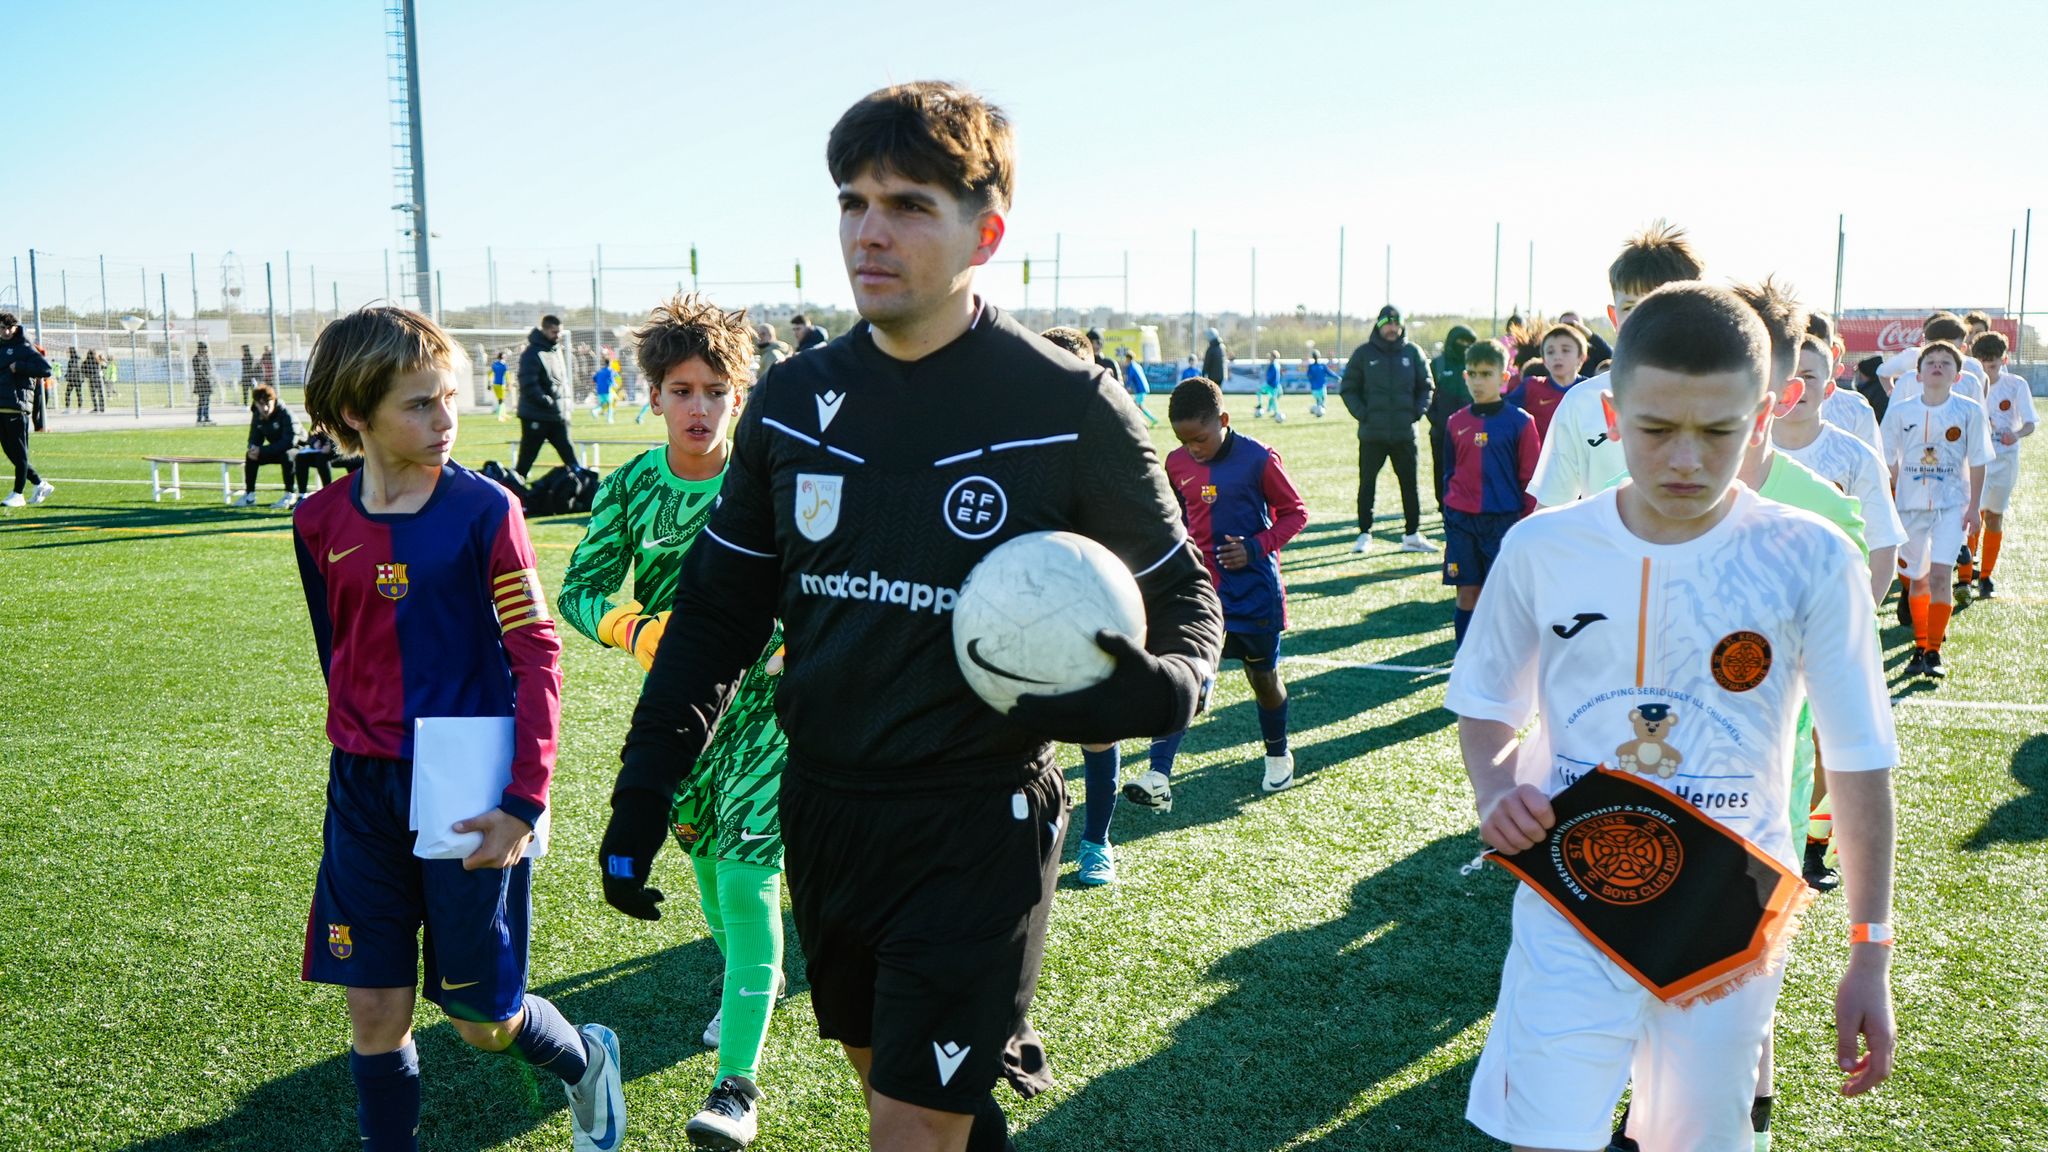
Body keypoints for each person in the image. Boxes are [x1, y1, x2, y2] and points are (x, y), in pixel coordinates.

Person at [600, 81, 1223, 1152]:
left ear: (985, 232)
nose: (867, 231)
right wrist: (645, 780)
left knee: (906, 1125)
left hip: (975, 819)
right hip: (826, 809)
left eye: (906, 204)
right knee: (896, 1084)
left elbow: (1187, 603)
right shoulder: (795, 402)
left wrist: (1162, 689)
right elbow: (714, 615)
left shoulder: (1064, 405)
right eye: (851, 201)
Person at [1448, 282, 1899, 1152]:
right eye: (1656, 429)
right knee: (1549, 1137)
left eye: (1719, 430)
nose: (1686, 458)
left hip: (1726, 919)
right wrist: (1496, 786)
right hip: (1570, 902)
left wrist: (1870, 949)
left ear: (1764, 413)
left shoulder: (1812, 558)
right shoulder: (1542, 549)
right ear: (1611, 414)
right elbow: (1486, 701)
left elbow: (1859, 760)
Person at [291, 305, 623, 1152]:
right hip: (363, 789)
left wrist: (525, 800)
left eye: (450, 400)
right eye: (420, 406)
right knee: (374, 1011)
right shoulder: (318, 522)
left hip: (470, 791)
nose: (446, 424)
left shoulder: (486, 512)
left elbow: (538, 656)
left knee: (484, 1018)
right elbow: (339, 650)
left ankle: (585, 1061)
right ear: (357, 415)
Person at [558, 294, 790, 1149]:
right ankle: (740, 990)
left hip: (768, 716)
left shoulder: (770, 484)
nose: (700, 407)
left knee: (747, 878)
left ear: (741, 396)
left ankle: (736, 1085)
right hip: (683, 722)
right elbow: (580, 590)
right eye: (682, 390)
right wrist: (638, 630)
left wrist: (795, 641)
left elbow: (821, 577)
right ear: (653, 395)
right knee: (704, 870)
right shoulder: (626, 491)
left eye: (716, 391)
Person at [1122, 373, 1307, 824]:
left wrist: (1256, 546)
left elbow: (1296, 513)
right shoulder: (1175, 463)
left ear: (1223, 420)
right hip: (1201, 594)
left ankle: (1278, 754)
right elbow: (1183, 517)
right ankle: (1158, 777)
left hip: (1255, 594)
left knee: (1263, 680)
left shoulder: (1259, 459)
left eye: (1200, 439)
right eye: (1184, 441)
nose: (1193, 449)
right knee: (1187, 673)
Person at [1526, 221, 1707, 509]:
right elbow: (1550, 508)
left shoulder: (1725, 398)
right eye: (1631, 307)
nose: (1647, 319)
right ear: (1614, 317)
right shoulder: (1580, 403)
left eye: (1662, 303)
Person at [1879, 340, 1994, 679]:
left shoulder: (1969, 410)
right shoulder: (1901, 411)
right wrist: (1899, 486)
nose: (1938, 366)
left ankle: (1933, 652)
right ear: (1919, 372)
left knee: (1942, 575)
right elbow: (1886, 456)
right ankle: (1918, 645)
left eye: (1947, 362)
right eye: (1931, 361)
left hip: (1951, 507)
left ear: (1957, 376)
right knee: (1918, 578)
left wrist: (1974, 507)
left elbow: (1979, 461)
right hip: (1909, 508)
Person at [1776, 333, 1905, 606]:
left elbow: (1882, 544)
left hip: (1831, 610)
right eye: (1787, 375)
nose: (1796, 385)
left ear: (1829, 389)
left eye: (1809, 376)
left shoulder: (1858, 458)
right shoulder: (1741, 453)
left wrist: (1861, 622)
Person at [1437, 339, 1536, 649]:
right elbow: (1448, 473)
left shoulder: (1520, 422)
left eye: (1486, 373)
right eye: (1472, 374)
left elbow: (1529, 479)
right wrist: (1450, 510)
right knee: (1467, 593)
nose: (1478, 381)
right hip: (1462, 522)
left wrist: (1525, 525)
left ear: (1504, 377)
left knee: (1501, 596)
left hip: (1503, 522)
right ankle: (1464, 662)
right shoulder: (1456, 422)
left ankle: (1501, 660)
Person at [1338, 304, 1435, 554]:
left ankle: (1412, 534)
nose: (1392, 328)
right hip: (1372, 435)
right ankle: (1364, 533)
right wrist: (1363, 414)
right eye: (1386, 324)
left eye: (1396, 323)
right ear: (1379, 325)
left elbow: (1426, 386)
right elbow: (1348, 388)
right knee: (1367, 484)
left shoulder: (1413, 353)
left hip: (1404, 433)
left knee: (1410, 484)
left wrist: (1415, 413)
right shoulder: (1363, 354)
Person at [1972, 330, 2036, 599]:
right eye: (1983, 365)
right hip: (1975, 459)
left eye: (1993, 365)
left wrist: (2016, 434)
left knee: (1994, 515)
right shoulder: (1968, 383)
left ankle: (1986, 576)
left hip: (2004, 460)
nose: (1988, 371)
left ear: (2004, 359)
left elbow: (2030, 423)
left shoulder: (2016, 384)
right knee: (1972, 515)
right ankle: (1966, 574)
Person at [514, 315, 581, 479]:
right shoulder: (532, 353)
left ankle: (586, 491)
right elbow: (528, 383)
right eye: (554, 332)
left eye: (560, 332)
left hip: (556, 416)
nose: (557, 335)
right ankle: (513, 496)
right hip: (536, 416)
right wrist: (547, 401)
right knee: (525, 462)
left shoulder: (555, 350)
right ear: (544, 330)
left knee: (571, 458)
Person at [0, 313, 54, 507]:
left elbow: (46, 369)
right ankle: (40, 484)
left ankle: (18, 494)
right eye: (2, 328)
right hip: (1, 409)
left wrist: (19, 366)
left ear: (15, 327)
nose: (6, 332)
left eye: (9, 328)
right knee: (11, 453)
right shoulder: (1, 346)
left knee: (20, 454)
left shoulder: (24, 347)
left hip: (17, 409)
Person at [1505, 322, 1589, 442]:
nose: (1557, 357)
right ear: (1544, 360)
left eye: (1565, 350)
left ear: (1582, 357)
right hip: (1542, 460)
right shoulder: (1530, 387)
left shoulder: (1590, 390)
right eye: (1550, 352)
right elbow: (1503, 416)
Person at [1880, 313, 1984, 405]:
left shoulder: (1972, 372)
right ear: (1924, 346)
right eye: (1933, 348)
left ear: (1962, 349)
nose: (1939, 354)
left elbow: (1980, 405)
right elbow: (1883, 372)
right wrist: (1893, 393)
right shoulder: (1908, 375)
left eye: (1948, 348)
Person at [1426, 325, 1477, 503]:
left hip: (1472, 432)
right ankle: (1443, 505)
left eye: (1468, 343)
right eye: (1460, 341)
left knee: (1470, 471)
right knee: (1441, 471)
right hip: (1441, 432)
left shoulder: (1475, 365)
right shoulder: (1438, 364)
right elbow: (1427, 395)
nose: (1464, 346)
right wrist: (1437, 420)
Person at [235, 384, 298, 508]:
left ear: (274, 401)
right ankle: (250, 496)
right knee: (251, 456)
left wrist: (263, 450)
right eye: (260, 404)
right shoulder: (257, 415)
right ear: (256, 404)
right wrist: (253, 447)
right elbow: (254, 436)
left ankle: (290, 495)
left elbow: (290, 441)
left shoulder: (285, 413)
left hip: (299, 449)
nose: (265, 408)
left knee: (287, 455)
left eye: (268, 403)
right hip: (276, 449)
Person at [293, 422, 340, 500]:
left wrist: (331, 445)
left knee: (322, 459)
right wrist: (314, 442)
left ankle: (328, 491)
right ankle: (302, 494)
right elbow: (311, 435)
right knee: (301, 457)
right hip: (321, 452)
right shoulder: (319, 420)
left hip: (340, 453)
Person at [1121, 348, 1158, 427]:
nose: (1125, 360)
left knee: (1136, 406)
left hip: (1140, 389)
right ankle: (1153, 419)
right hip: (1143, 388)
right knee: (1139, 406)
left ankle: (1140, 423)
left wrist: (1126, 386)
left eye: (1126, 359)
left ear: (1128, 358)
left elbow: (1130, 378)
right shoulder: (1136, 365)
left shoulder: (1131, 367)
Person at [1305, 348, 1337, 417]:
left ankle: (1318, 411)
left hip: (1314, 388)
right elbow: (1330, 373)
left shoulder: (1311, 366)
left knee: (1319, 401)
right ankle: (1320, 412)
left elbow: (1308, 375)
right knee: (1322, 401)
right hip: (1321, 387)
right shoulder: (1322, 366)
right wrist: (1337, 377)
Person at [192, 342, 217, 425]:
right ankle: (199, 418)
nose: (205, 351)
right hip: (201, 382)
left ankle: (206, 417)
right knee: (202, 400)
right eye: (204, 349)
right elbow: (198, 371)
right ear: (200, 349)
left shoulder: (205, 357)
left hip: (207, 382)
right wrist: (205, 377)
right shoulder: (196, 358)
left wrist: (210, 378)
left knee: (207, 400)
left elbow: (208, 368)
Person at [1257, 350, 1285, 421]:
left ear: (1272, 357)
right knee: (1271, 397)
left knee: (1273, 398)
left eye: (1270, 356)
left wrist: (1272, 384)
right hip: (1274, 385)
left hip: (1272, 385)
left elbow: (1271, 376)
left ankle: (1274, 411)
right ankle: (1266, 407)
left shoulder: (1273, 366)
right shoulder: (1275, 364)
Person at [592, 351, 617, 423]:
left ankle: (595, 411)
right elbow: (611, 379)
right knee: (610, 404)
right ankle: (609, 419)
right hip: (607, 390)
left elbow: (594, 379)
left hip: (599, 390)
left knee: (603, 404)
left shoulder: (600, 371)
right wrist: (614, 384)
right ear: (610, 363)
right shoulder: (610, 371)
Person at [490, 351, 510, 421]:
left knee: (500, 400)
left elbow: (489, 373)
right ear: (503, 357)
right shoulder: (504, 365)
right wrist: (508, 384)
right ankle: (500, 416)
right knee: (502, 400)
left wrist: (489, 383)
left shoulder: (494, 364)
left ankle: (504, 414)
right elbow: (507, 376)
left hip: (495, 385)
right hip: (502, 385)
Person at [89, 347, 110, 413]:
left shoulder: (88, 360)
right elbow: (106, 366)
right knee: (100, 393)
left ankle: (96, 408)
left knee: (93, 394)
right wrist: (104, 359)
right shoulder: (98, 360)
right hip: (99, 378)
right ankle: (102, 408)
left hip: (92, 378)